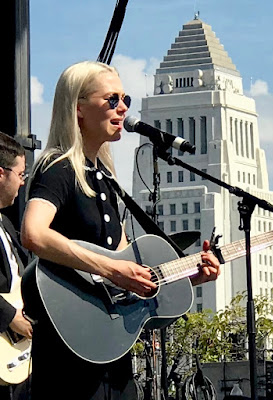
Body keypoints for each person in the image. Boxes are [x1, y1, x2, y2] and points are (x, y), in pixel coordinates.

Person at [20, 60, 220, 400]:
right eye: (112, 99)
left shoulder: (105, 179)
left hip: (111, 354)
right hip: (70, 356)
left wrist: (188, 277)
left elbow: (129, 273)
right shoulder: (59, 168)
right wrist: (111, 267)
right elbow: (34, 233)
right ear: (79, 108)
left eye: (124, 98)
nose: (123, 107)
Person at [0, 131, 32, 400]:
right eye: (21, 175)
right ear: (1, 174)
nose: (23, 183)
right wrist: (10, 317)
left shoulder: (7, 225)